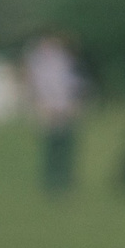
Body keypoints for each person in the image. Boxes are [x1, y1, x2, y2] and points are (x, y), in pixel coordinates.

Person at [24, 32, 84, 194]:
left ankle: (65, 181)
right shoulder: (38, 62)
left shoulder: (65, 59)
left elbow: (72, 83)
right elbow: (36, 85)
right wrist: (41, 105)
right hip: (48, 109)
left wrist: (74, 103)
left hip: (65, 108)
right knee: (51, 148)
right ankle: (51, 182)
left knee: (65, 147)